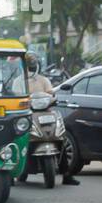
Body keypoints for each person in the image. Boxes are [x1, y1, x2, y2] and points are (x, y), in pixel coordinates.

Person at [26, 53, 78, 186]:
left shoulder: (43, 80)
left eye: (33, 62)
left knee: (60, 137)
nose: (32, 65)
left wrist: (52, 98)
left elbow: (50, 93)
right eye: (29, 63)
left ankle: (66, 175)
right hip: (27, 113)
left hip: (46, 112)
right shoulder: (19, 81)